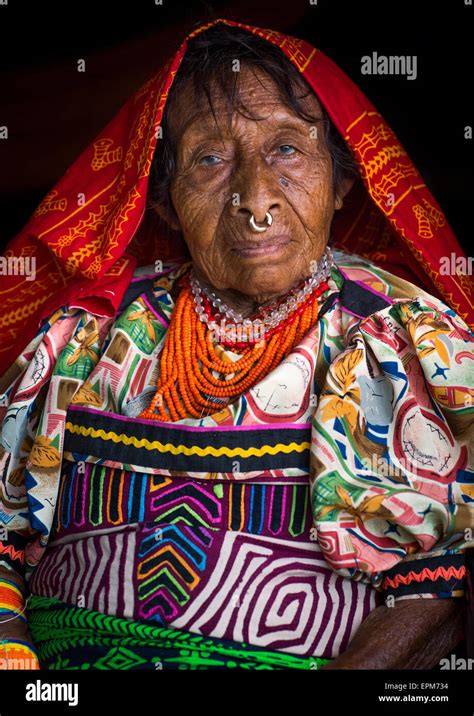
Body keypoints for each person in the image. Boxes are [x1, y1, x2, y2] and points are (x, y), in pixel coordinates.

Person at [0, 18, 472, 671]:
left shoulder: (402, 341)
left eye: (286, 149)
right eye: (210, 158)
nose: (255, 199)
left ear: (341, 182)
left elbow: (443, 585)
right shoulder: (88, 333)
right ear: (162, 199)